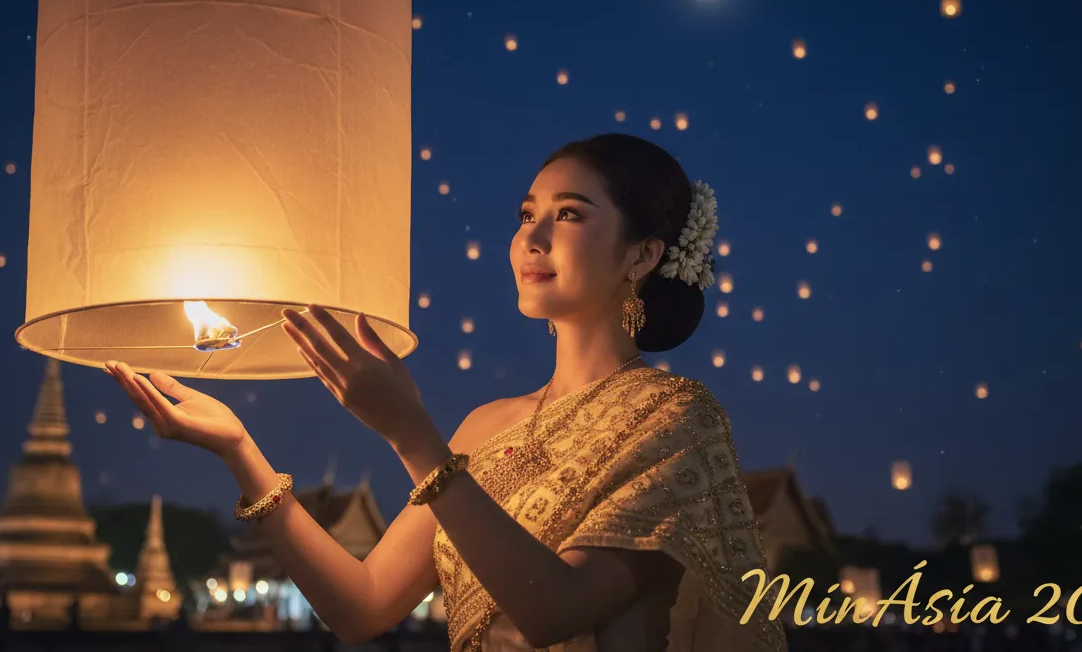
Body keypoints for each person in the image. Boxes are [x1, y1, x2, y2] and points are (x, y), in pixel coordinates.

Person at [104, 133, 788, 651]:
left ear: (642, 255)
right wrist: (238, 449)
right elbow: (363, 609)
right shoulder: (483, 429)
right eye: (527, 215)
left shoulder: (674, 418)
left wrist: (409, 434)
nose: (533, 237)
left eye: (571, 215)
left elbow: (552, 610)